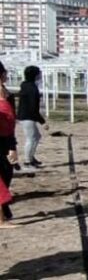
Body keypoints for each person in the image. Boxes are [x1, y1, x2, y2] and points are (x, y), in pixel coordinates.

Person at [16, 66, 46, 169]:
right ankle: (28, 161)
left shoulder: (26, 85)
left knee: (36, 137)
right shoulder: (32, 88)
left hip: (26, 116)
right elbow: (33, 107)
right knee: (31, 138)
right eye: (38, 73)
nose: (40, 75)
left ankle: (31, 158)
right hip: (27, 116)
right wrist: (42, 121)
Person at [0, 61, 18, 226]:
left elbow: (11, 122)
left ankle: (4, 210)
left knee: (6, 174)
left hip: (5, 140)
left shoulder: (7, 95)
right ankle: (3, 212)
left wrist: (13, 146)